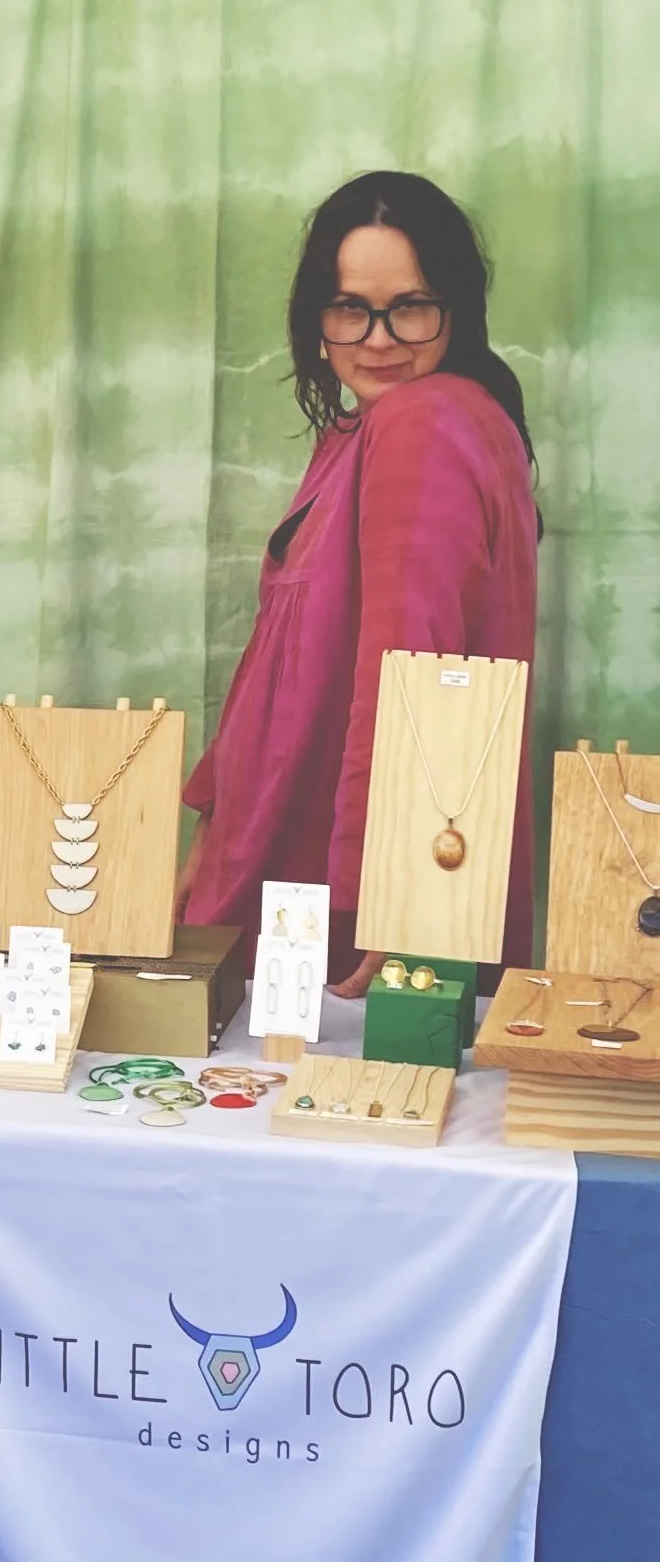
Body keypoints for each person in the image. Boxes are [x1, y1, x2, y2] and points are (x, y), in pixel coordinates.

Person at [176, 170, 539, 995]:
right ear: (318, 318)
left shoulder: (423, 422)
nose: (378, 340)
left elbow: (413, 671)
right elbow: (276, 658)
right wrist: (211, 828)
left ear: (455, 308)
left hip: (343, 906)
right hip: (308, 866)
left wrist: (395, 890)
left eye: (409, 307)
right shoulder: (369, 431)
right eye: (350, 309)